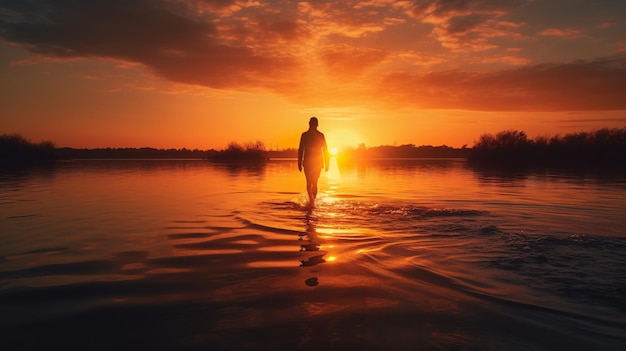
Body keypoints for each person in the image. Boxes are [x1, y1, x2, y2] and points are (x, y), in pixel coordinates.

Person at [298, 117, 329, 205]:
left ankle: (312, 201)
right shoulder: (305, 135)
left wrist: (327, 164)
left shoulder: (320, 135)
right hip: (310, 162)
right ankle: (312, 201)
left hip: (315, 163)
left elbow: (325, 150)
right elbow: (301, 149)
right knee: (311, 182)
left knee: (312, 182)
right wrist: (299, 163)